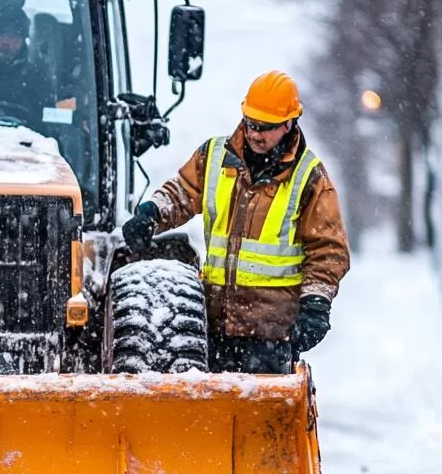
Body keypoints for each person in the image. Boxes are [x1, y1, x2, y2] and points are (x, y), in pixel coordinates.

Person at [122, 70, 350, 374]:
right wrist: (152, 213)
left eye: (266, 128)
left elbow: (328, 251)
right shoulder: (215, 156)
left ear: (289, 124)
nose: (255, 134)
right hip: (215, 328)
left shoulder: (309, 178)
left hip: (271, 336)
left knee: (260, 420)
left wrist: (316, 305)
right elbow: (181, 192)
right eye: (251, 124)